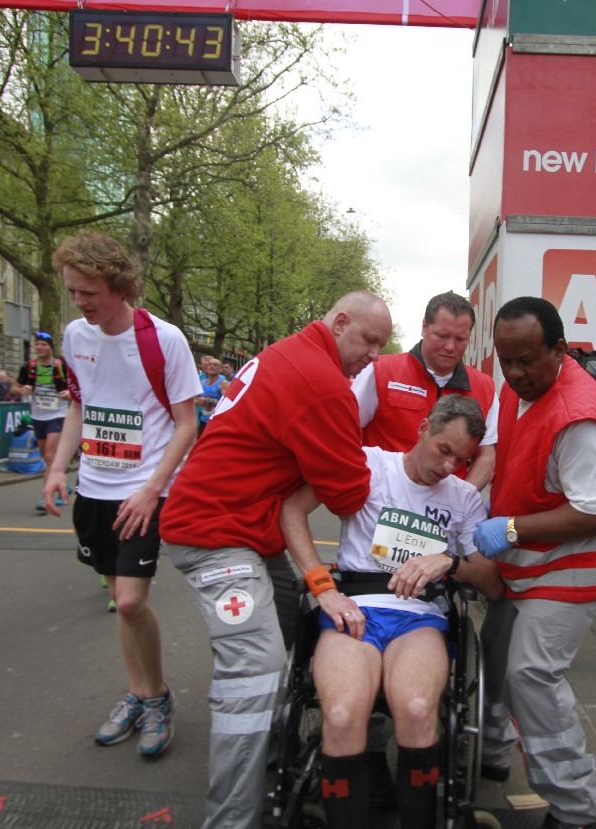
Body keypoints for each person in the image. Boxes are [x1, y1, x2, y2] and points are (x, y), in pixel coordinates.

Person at [159, 290, 392, 829]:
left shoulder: (288, 352)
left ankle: (267, 752)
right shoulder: (322, 383)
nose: (373, 355)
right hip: (218, 534)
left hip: (244, 530)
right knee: (255, 669)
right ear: (340, 322)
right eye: (368, 340)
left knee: (294, 625)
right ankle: (232, 819)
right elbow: (349, 493)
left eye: (381, 345)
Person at [279, 395, 504, 829]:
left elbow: (492, 582)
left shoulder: (462, 498)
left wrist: (450, 562)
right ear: (424, 429)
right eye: (444, 450)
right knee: (341, 716)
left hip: (419, 616)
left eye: (461, 460)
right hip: (354, 606)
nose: (449, 467)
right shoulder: (367, 464)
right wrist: (322, 587)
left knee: (418, 709)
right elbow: (292, 509)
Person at [472, 296, 596, 829]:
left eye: (527, 360)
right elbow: (501, 451)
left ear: (559, 350)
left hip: (573, 566)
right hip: (528, 559)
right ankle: (492, 750)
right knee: (495, 649)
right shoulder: (517, 389)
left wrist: (510, 529)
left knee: (531, 672)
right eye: (505, 360)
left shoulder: (577, 417)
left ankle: (581, 806)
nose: (514, 373)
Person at [42, 231, 201, 758]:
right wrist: (57, 469)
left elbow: (186, 424)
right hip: (94, 489)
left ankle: (157, 698)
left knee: (131, 601)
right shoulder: (75, 336)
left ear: (118, 286)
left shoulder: (164, 339)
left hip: (143, 490)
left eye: (87, 292)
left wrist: (153, 490)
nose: (78, 301)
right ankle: (139, 693)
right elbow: (79, 406)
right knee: (121, 602)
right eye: (72, 291)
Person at [352, 291, 498, 490]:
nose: (450, 346)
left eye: (460, 338)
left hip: (445, 505)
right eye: (442, 336)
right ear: (424, 327)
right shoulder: (379, 371)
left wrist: (462, 499)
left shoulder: (485, 387)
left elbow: (486, 455)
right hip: (380, 497)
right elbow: (344, 431)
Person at [11, 332, 73, 511]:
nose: (40, 347)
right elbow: (14, 387)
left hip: (58, 415)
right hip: (38, 417)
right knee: (47, 457)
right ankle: (62, 485)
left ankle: (47, 497)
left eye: (44, 344)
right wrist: (20, 390)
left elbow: (77, 387)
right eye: (37, 344)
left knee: (50, 455)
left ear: (50, 347)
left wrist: (70, 393)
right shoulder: (29, 367)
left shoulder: (61, 366)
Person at [195, 354, 227, 433]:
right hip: (203, 420)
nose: (211, 366)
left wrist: (208, 402)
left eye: (215, 365)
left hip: (217, 421)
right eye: (210, 364)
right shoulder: (202, 383)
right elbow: (194, 400)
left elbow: (227, 403)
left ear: (220, 369)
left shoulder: (223, 383)